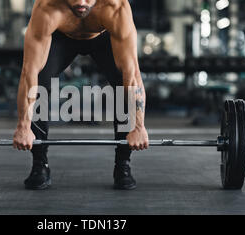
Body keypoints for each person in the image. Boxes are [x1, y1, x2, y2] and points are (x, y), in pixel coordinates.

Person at [13, 0, 149, 190]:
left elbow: (132, 74)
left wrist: (138, 126)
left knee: (123, 85)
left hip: (104, 35)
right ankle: (39, 164)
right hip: (62, 35)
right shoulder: (48, 7)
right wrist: (23, 126)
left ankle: (123, 164)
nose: (81, 3)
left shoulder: (114, 7)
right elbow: (29, 73)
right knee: (40, 84)